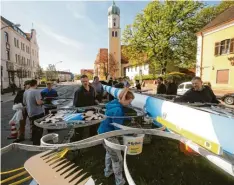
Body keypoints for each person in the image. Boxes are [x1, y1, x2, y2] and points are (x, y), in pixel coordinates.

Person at [98, 87, 135, 185]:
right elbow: (118, 129)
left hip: (102, 132)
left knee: (109, 153)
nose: (129, 104)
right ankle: (119, 181)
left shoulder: (114, 102)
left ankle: (108, 171)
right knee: (117, 159)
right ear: (124, 99)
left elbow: (114, 118)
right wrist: (130, 133)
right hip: (109, 135)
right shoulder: (118, 110)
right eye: (129, 101)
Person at [73, 75, 98, 141]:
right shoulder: (78, 91)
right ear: (81, 82)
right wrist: (83, 111)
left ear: (88, 81)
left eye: (86, 81)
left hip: (92, 111)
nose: (85, 83)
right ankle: (78, 143)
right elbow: (75, 104)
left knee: (93, 127)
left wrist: (97, 103)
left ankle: (93, 140)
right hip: (83, 113)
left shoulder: (92, 89)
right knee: (81, 129)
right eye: (83, 81)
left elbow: (93, 99)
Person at [23, 79, 44, 145]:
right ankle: (37, 143)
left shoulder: (26, 92)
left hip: (30, 112)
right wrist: (43, 101)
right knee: (39, 128)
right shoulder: (36, 91)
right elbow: (38, 102)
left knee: (33, 127)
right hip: (38, 113)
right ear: (35, 84)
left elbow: (24, 102)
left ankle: (34, 139)